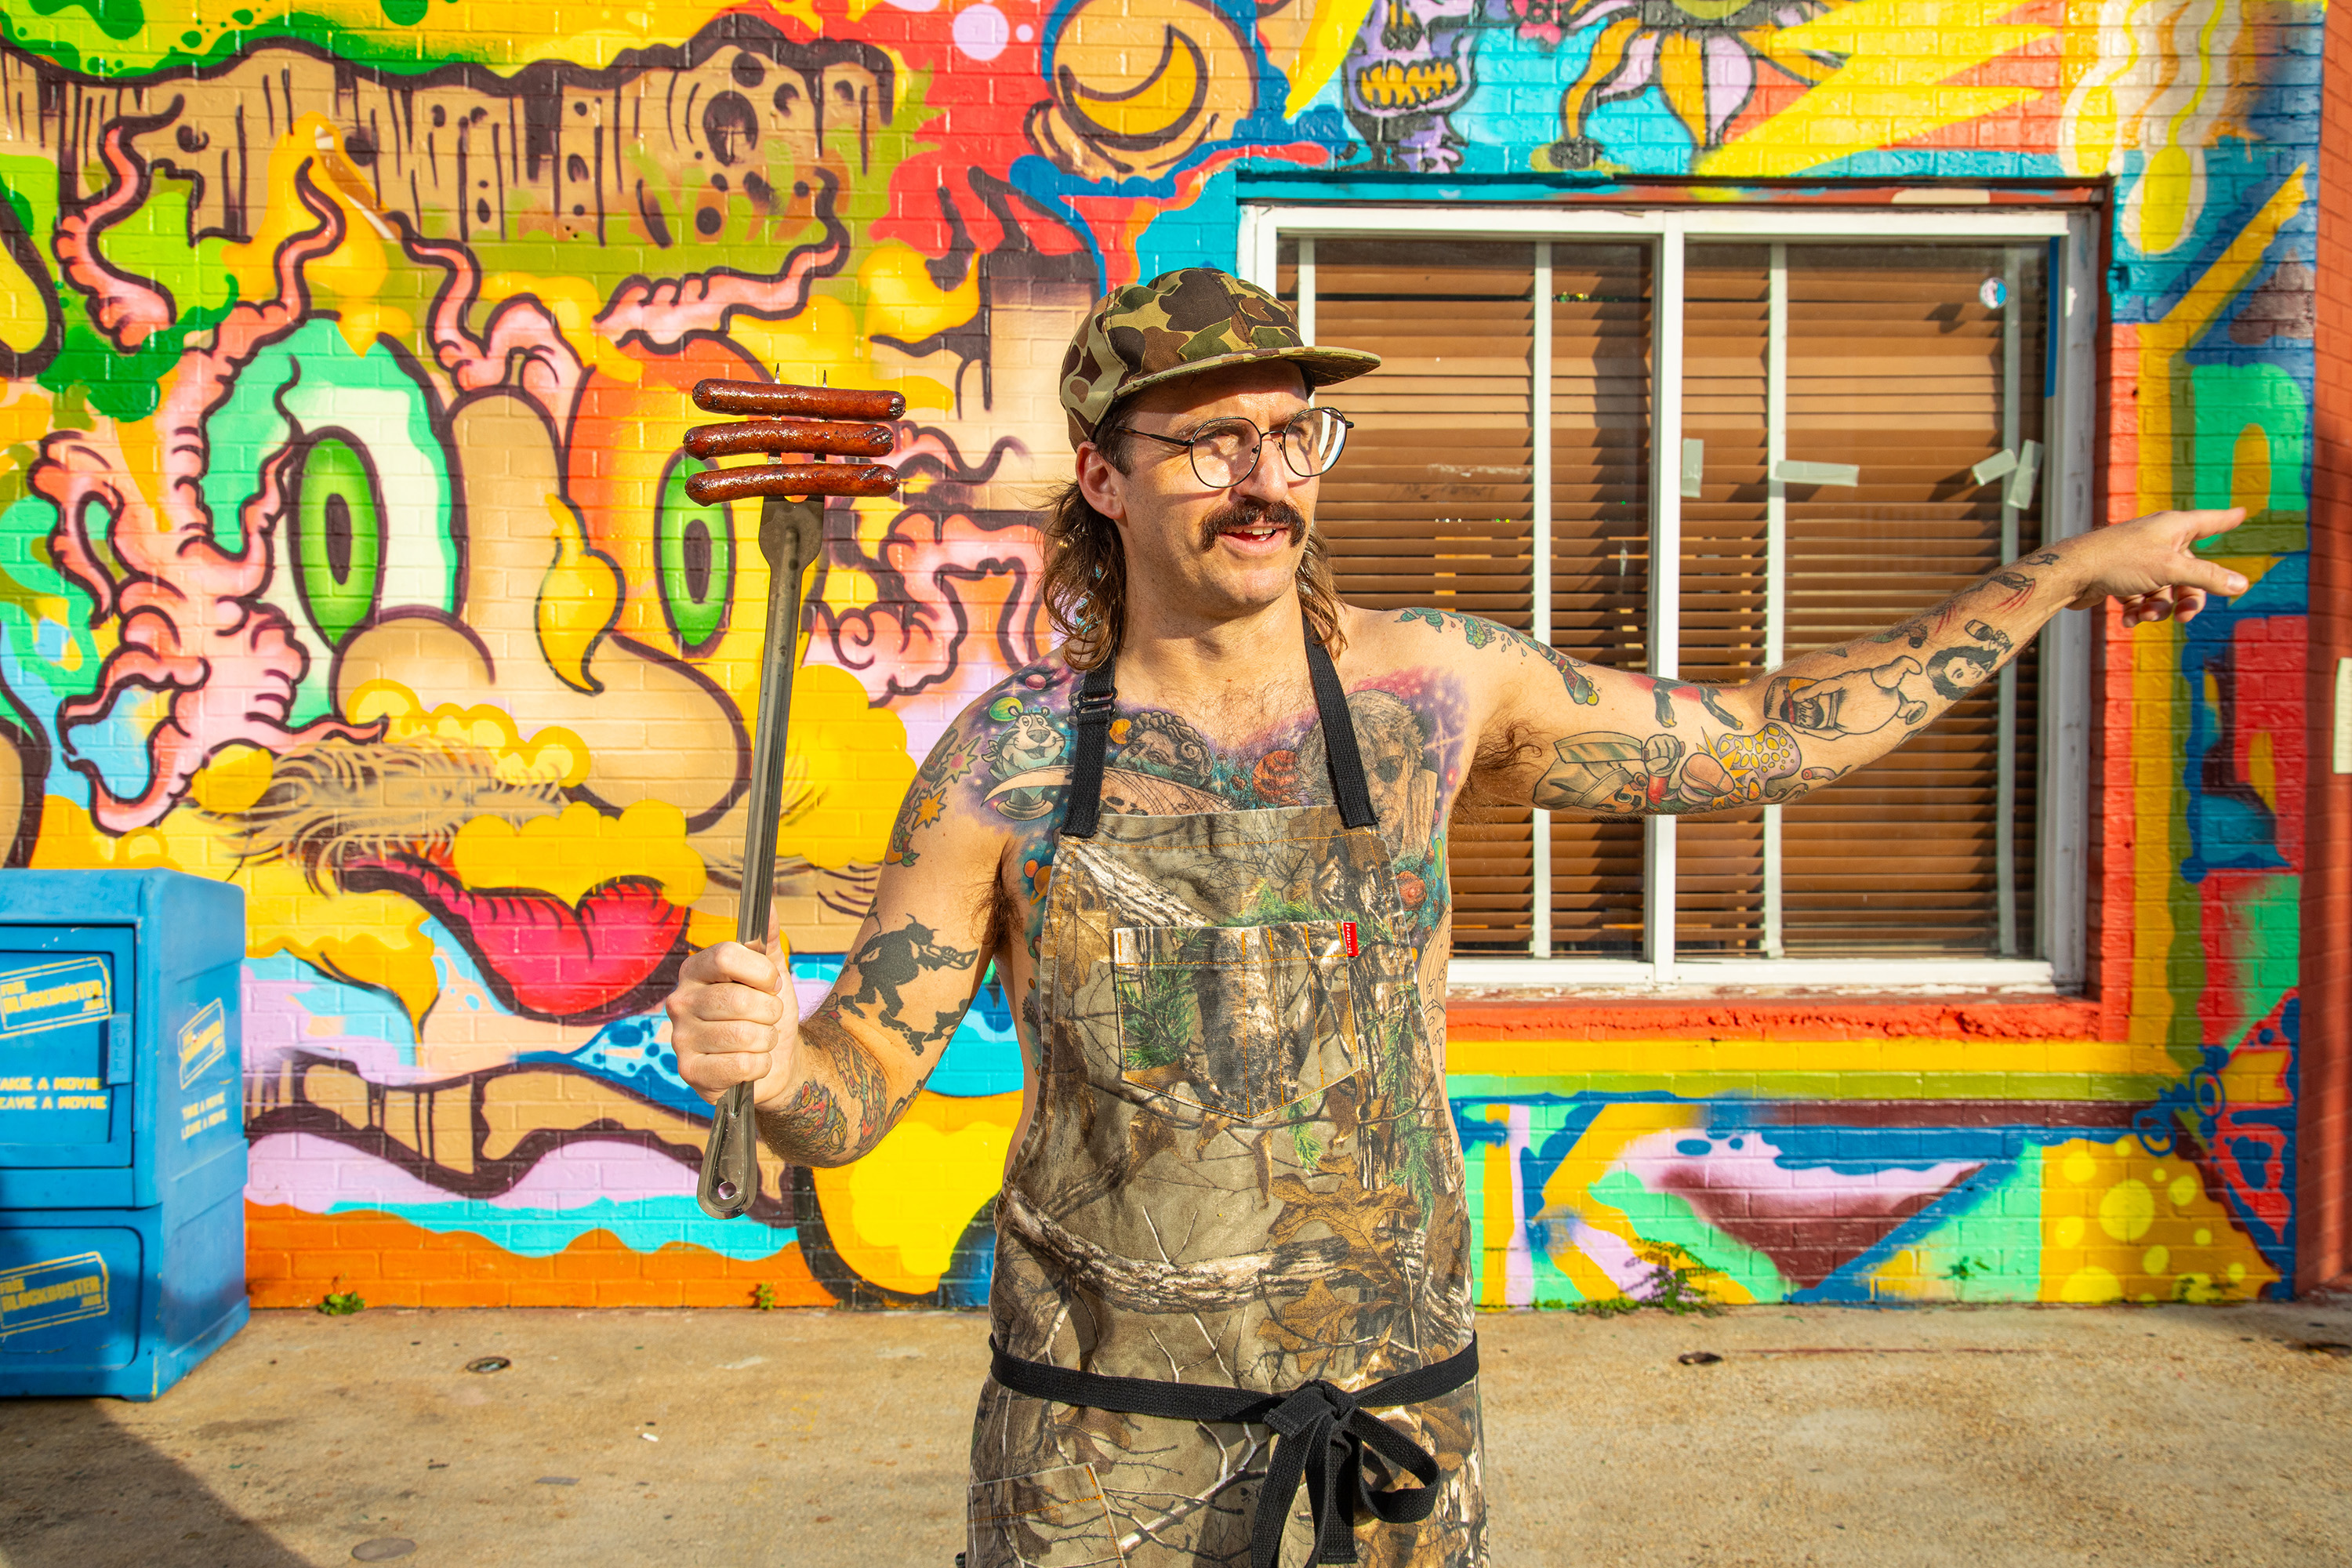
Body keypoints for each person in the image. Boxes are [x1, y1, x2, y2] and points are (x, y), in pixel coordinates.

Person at [666, 268, 2245, 1567]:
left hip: (1393, 1418)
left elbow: (1763, 737)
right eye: (1210, 442)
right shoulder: (1006, 764)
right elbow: (852, 1093)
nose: (1264, 476)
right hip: (1096, 1439)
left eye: (1293, 435)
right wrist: (770, 1065)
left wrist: (2063, 573)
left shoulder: (1434, 690)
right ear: (1103, 477)